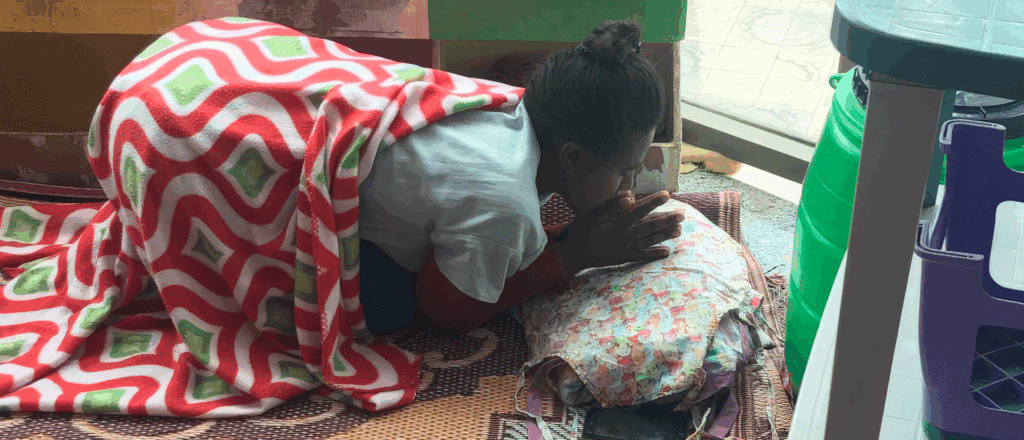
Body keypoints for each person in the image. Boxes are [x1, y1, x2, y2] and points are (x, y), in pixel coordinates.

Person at [357, 20, 685, 334]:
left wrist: (571, 234)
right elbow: (444, 310)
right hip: (333, 191)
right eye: (624, 172)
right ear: (573, 157)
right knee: (392, 307)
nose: (629, 186)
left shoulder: (511, 103)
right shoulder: (506, 203)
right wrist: (575, 255)